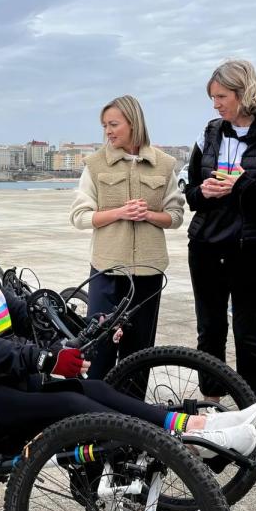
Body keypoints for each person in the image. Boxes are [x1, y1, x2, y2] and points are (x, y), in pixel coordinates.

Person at [0, 191, 256, 458]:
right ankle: (187, 443)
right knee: (72, 408)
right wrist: (47, 360)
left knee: (94, 391)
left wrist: (91, 325)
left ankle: (197, 425)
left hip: (4, 381)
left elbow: (31, 316)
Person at [184, 59, 256, 402]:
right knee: (210, 331)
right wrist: (202, 192)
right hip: (205, 246)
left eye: (221, 97)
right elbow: (189, 192)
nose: (215, 105)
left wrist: (242, 185)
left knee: (249, 333)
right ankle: (211, 405)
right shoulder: (208, 134)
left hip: (253, 249)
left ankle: (252, 408)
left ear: (242, 93)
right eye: (213, 98)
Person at [69, 95, 185, 380]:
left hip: (149, 270)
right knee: (99, 346)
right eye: (105, 125)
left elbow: (176, 216)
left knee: (139, 350)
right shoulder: (95, 165)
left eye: (113, 124)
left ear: (133, 124)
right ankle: (97, 412)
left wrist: (149, 216)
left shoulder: (164, 164)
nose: (108, 131)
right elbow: (80, 217)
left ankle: (133, 416)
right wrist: (120, 212)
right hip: (107, 269)